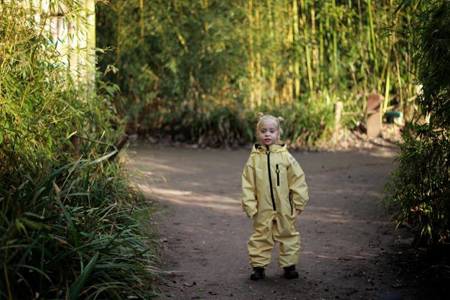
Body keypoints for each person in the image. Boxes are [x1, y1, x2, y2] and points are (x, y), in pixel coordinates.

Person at [241, 114, 309, 280]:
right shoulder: (254, 159)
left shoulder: (286, 157)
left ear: (278, 134)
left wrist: (299, 202)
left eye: (271, 131)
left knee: (288, 234)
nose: (267, 134)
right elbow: (247, 184)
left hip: (283, 205)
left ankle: (289, 265)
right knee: (260, 235)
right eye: (263, 131)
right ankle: (258, 267)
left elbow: (298, 179)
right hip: (262, 207)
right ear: (258, 133)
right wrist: (250, 205)